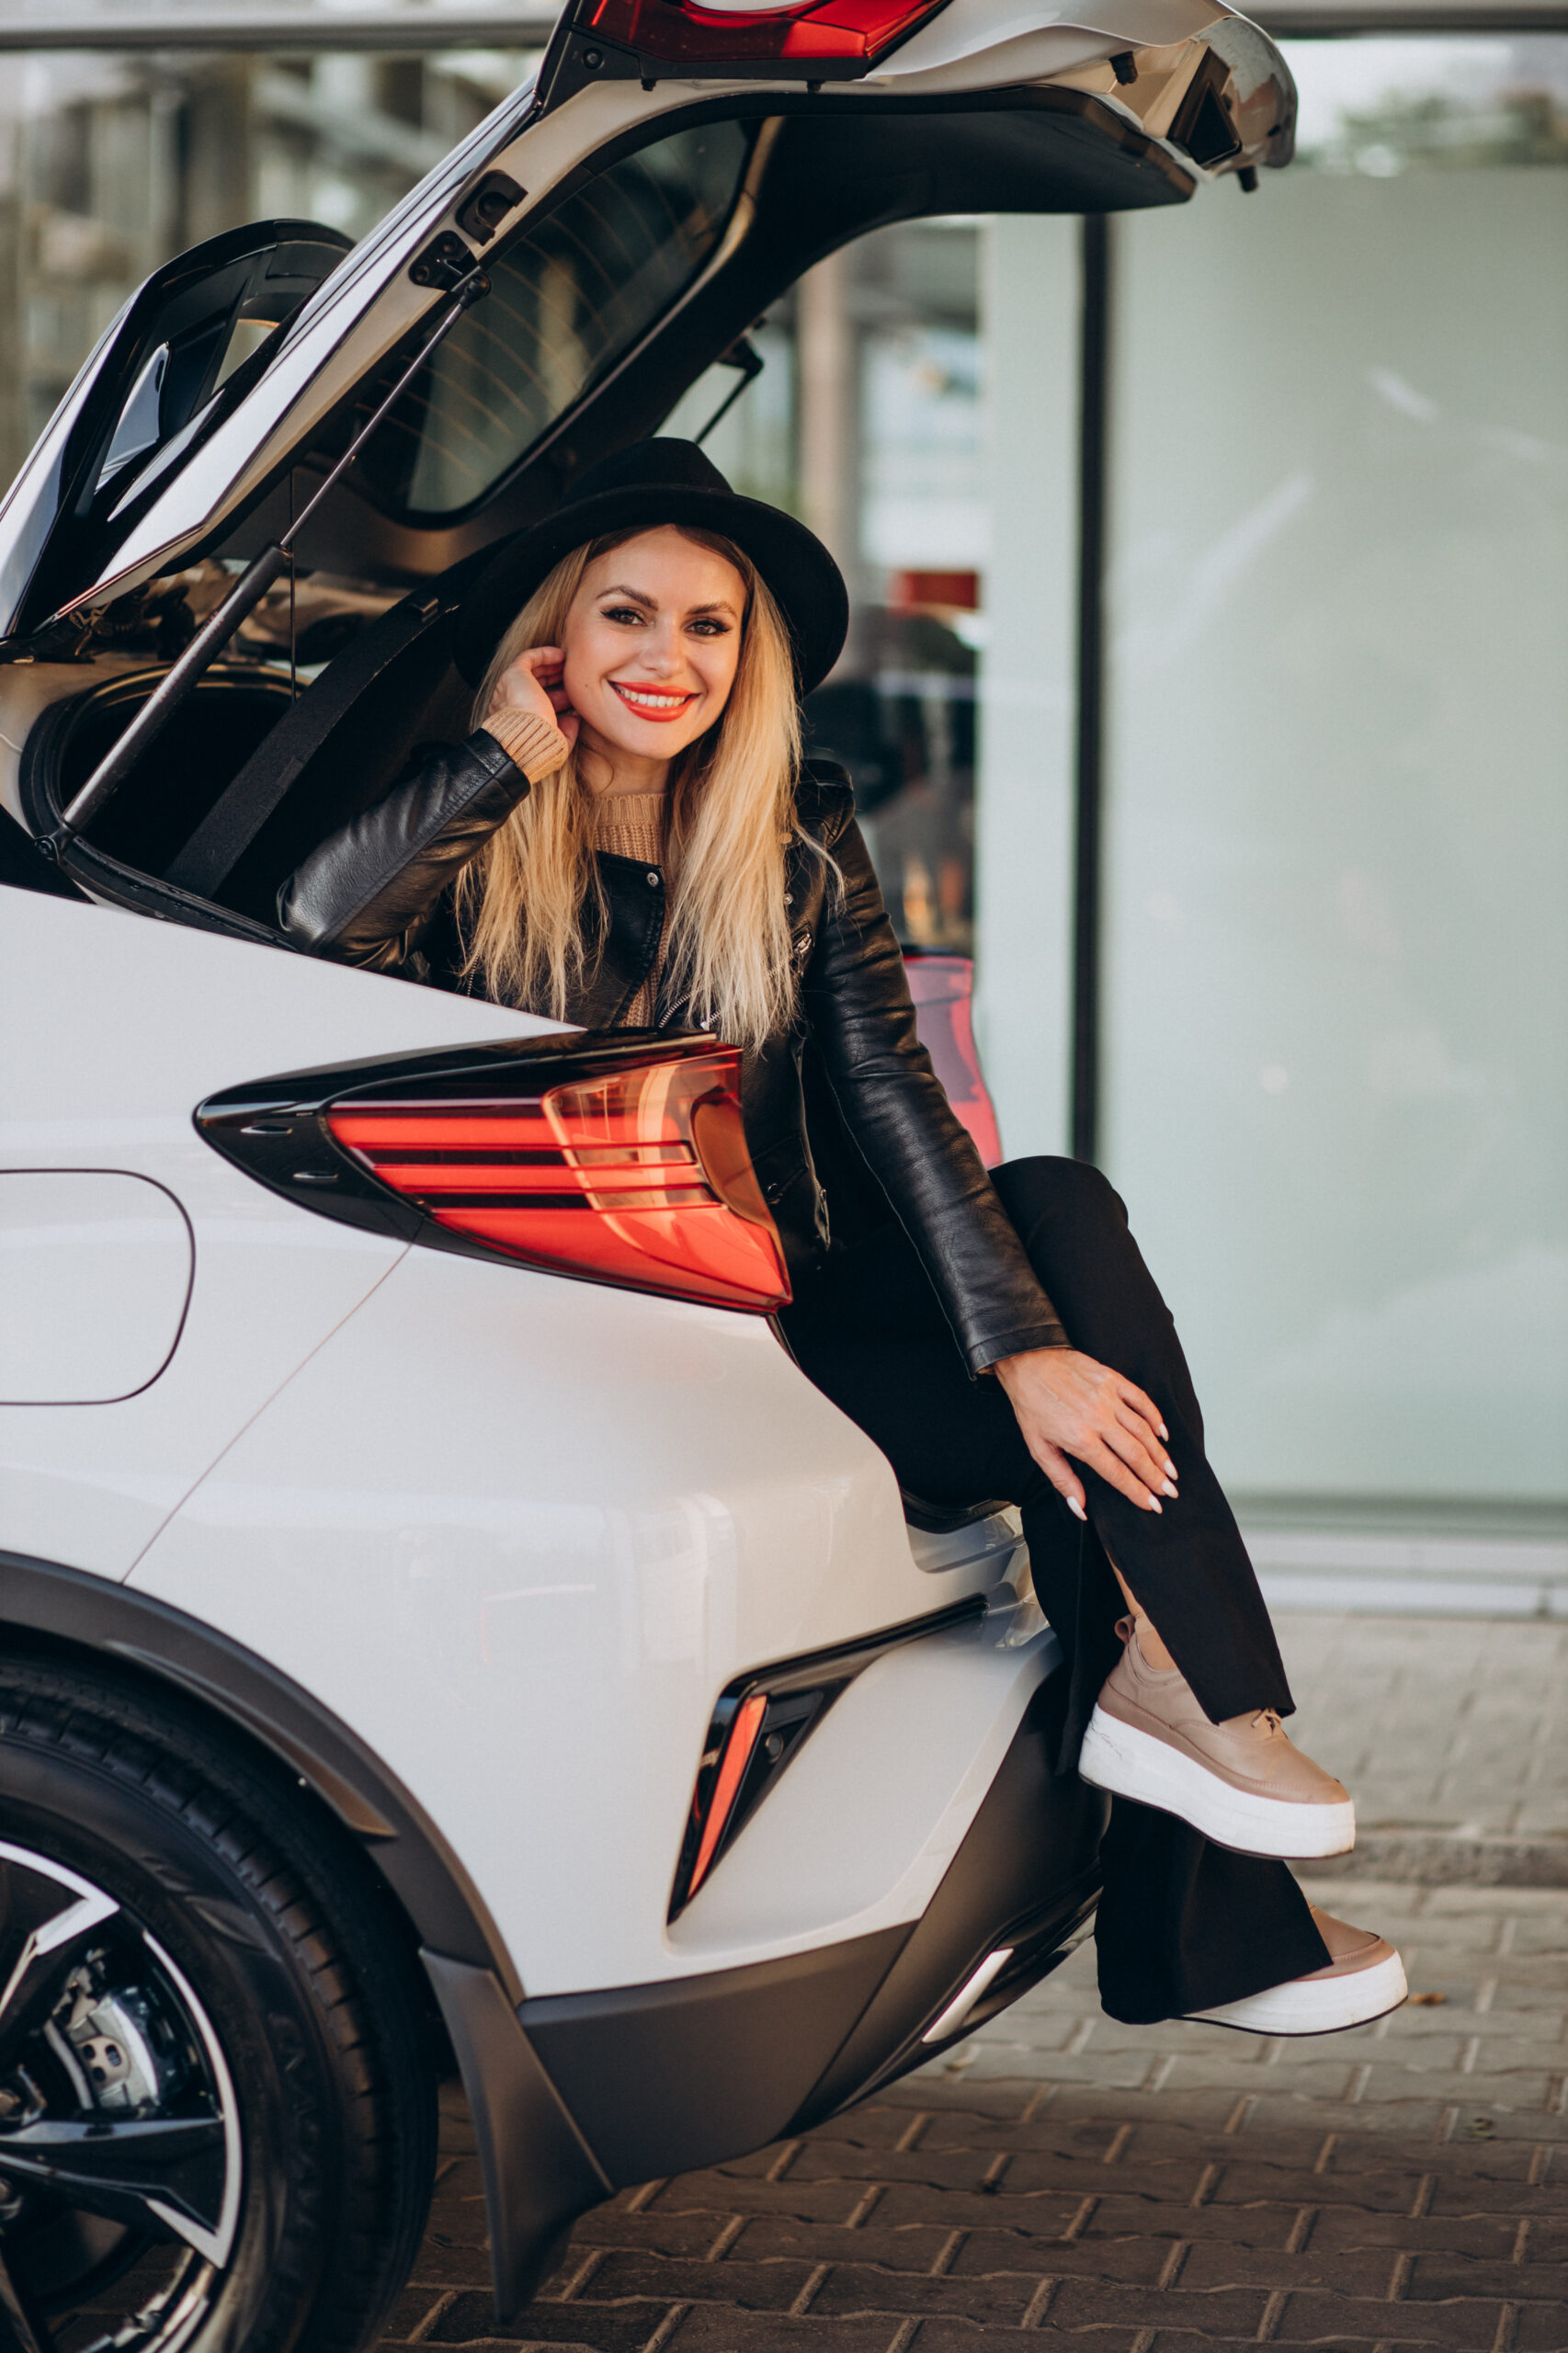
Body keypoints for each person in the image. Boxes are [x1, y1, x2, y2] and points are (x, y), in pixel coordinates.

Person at [279, 439, 1404, 2035]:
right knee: (1081, 1440)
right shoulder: (471, 838)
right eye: (625, 617)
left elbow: (892, 1100)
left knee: (1061, 1218)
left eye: (709, 627)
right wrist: (497, 763)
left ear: (752, 659)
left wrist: (1017, 1349)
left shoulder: (791, 828)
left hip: (798, 1314)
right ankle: (1211, 1875)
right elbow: (310, 940)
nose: (667, 660)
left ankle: (1184, 1688)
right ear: (557, 636)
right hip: (605, 1337)